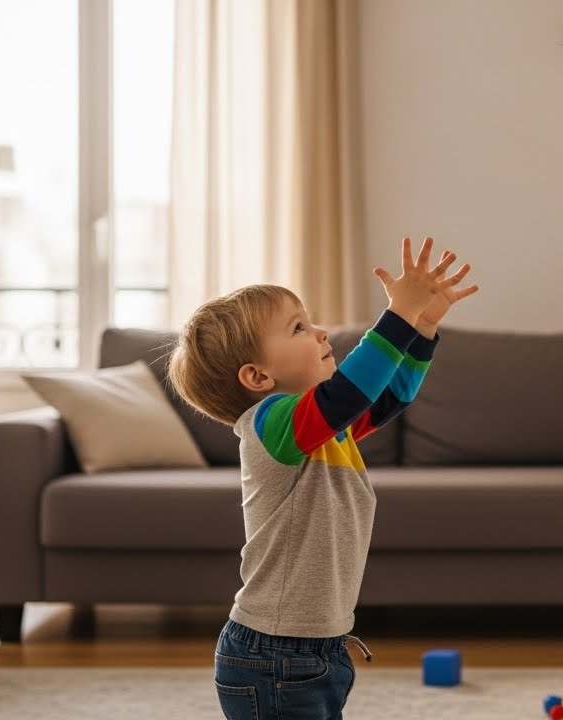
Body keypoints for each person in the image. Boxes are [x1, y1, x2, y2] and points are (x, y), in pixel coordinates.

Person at [167, 237, 478, 720]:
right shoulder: (272, 424)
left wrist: (421, 326)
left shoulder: (321, 431)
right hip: (273, 654)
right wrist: (397, 315)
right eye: (298, 327)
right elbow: (347, 395)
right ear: (257, 377)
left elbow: (387, 396)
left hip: (315, 647)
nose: (321, 331)